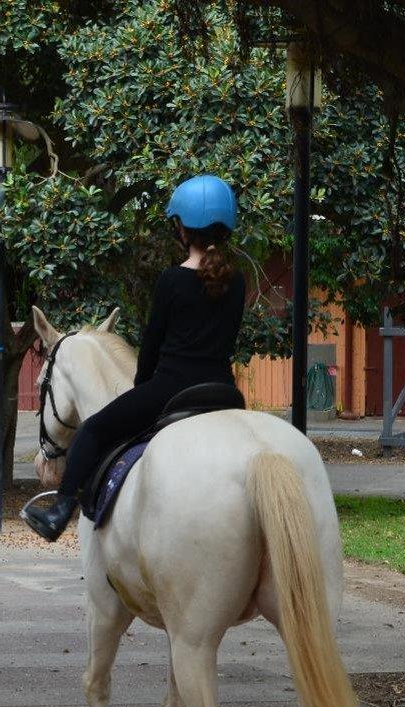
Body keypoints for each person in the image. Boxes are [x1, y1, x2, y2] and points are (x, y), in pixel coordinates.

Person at [24, 174, 247, 542]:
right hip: (223, 391)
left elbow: (153, 346)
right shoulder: (236, 282)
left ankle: (59, 512)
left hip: (171, 388)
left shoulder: (171, 281)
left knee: (93, 430)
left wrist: (141, 389)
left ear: (182, 228)